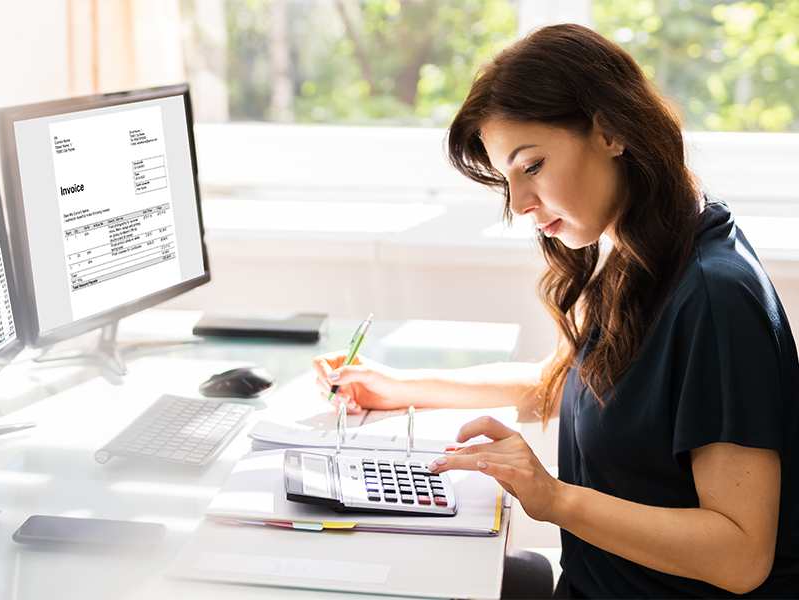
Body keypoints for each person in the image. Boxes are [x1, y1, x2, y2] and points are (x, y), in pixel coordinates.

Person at [313, 23, 799, 599]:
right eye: (507, 179)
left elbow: (741, 555)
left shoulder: (715, 299)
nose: (519, 204)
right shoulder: (645, 245)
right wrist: (402, 387)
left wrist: (555, 498)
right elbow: (577, 382)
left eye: (533, 165)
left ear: (613, 130)